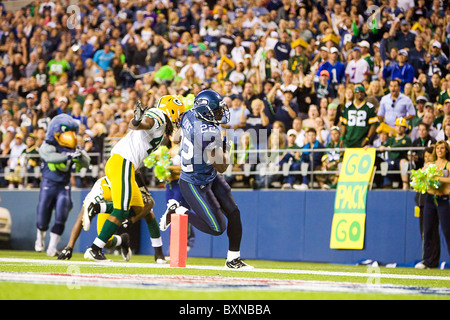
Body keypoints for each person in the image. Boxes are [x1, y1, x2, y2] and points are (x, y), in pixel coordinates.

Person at [160, 89, 253, 270]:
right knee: (217, 228)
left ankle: (233, 259)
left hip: (208, 175)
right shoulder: (207, 134)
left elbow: (177, 137)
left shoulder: (189, 115)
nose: (220, 114)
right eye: (216, 111)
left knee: (234, 213)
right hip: (193, 182)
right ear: (205, 112)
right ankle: (178, 212)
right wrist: (227, 149)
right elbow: (222, 166)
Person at [84, 96, 183, 261]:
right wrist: (137, 121)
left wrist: (143, 187)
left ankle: (158, 254)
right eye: (178, 115)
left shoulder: (162, 132)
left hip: (129, 167)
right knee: (121, 210)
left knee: (145, 208)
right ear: (172, 111)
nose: (178, 119)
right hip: (123, 162)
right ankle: (94, 248)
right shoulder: (159, 115)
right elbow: (144, 123)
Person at [58, 174, 167, 263]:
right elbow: (81, 217)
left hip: (126, 206)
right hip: (109, 208)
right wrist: (69, 247)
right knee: (106, 242)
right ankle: (122, 240)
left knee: (148, 212)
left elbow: (150, 203)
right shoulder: (100, 189)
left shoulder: (130, 181)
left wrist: (133, 219)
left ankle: (159, 253)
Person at [35, 114, 91, 256]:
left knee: (62, 214)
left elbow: (86, 162)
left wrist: (80, 154)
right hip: (49, 183)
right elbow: (51, 158)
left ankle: (52, 247)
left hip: (64, 185)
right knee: (43, 215)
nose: (70, 135)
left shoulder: (73, 147)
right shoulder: (48, 145)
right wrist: (68, 156)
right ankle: (40, 238)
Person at [415, 141, 450, 269]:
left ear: (446, 150)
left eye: (442, 148)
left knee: (447, 231)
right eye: (438, 148)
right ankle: (428, 261)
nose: (440, 150)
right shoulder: (430, 164)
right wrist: (420, 179)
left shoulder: (448, 164)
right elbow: (419, 177)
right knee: (428, 230)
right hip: (429, 199)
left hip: (443, 199)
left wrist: (437, 178)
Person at [378, 117, 411, 190]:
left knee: (404, 163)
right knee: (385, 163)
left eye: (401, 127)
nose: (399, 128)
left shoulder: (406, 139)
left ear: (405, 128)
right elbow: (385, 146)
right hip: (391, 160)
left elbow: (401, 145)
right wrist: (382, 147)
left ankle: (405, 185)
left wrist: (390, 148)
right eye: (397, 126)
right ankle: (387, 185)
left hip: (400, 160)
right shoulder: (391, 139)